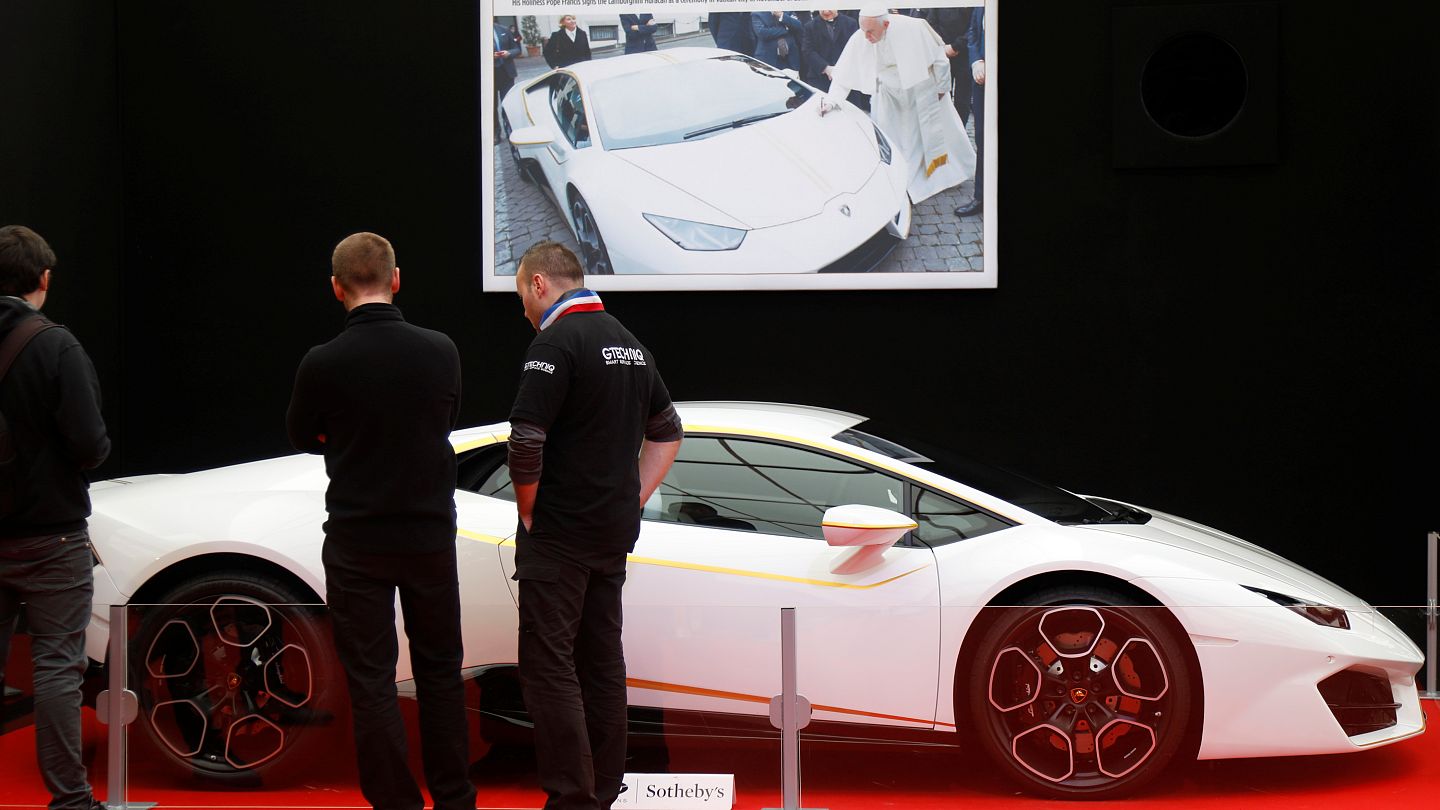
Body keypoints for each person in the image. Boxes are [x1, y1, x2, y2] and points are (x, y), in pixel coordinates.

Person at [286, 233, 473, 810]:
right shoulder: (440, 350)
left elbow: (301, 436)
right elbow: (448, 418)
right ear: (396, 279)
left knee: (372, 680)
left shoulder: (322, 362)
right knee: (441, 672)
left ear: (336, 288)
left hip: (356, 539)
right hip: (428, 537)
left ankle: (395, 804)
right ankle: (455, 799)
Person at [508, 240, 682, 810]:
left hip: (559, 532)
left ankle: (570, 800)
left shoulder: (555, 342)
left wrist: (529, 507)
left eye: (522, 296)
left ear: (538, 284)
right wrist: (632, 496)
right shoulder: (630, 343)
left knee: (549, 665)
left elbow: (526, 438)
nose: (524, 311)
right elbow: (668, 430)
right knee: (602, 662)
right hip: (610, 532)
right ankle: (604, 791)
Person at [0, 225, 110, 810]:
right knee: (56, 671)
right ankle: (69, 801)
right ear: (43, 279)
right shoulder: (55, 346)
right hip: (50, 534)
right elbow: (90, 444)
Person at [821, 6, 976, 204]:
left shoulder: (914, 28)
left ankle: (948, 175)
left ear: (886, 24)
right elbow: (844, 74)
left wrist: (942, 87)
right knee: (892, 139)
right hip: (887, 94)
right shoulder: (863, 35)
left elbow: (939, 59)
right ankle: (900, 180)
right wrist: (832, 100)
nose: (866, 37)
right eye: (864, 31)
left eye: (871, 32)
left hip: (920, 90)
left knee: (933, 135)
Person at [955, 9, 986, 218]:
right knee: (983, 140)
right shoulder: (981, 5)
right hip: (982, 82)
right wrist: (976, 60)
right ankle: (981, 197)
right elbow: (974, 33)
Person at [923, 6, 974, 125]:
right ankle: (946, 130)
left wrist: (956, 46)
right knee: (942, 96)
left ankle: (961, 129)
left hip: (965, 53)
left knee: (963, 99)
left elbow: (973, 26)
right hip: (942, 52)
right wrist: (944, 46)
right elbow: (931, 23)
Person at [801, 10, 860, 92]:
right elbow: (807, 51)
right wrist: (826, 68)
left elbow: (856, 50)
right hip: (820, 79)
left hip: (847, 77)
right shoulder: (810, 26)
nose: (826, 11)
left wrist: (841, 69)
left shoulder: (850, 23)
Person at [493, 20, 522, 142]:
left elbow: (517, 49)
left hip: (506, 74)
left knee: (508, 104)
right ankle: (495, 134)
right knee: (491, 106)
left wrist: (508, 53)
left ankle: (511, 130)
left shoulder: (503, 30)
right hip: (489, 75)